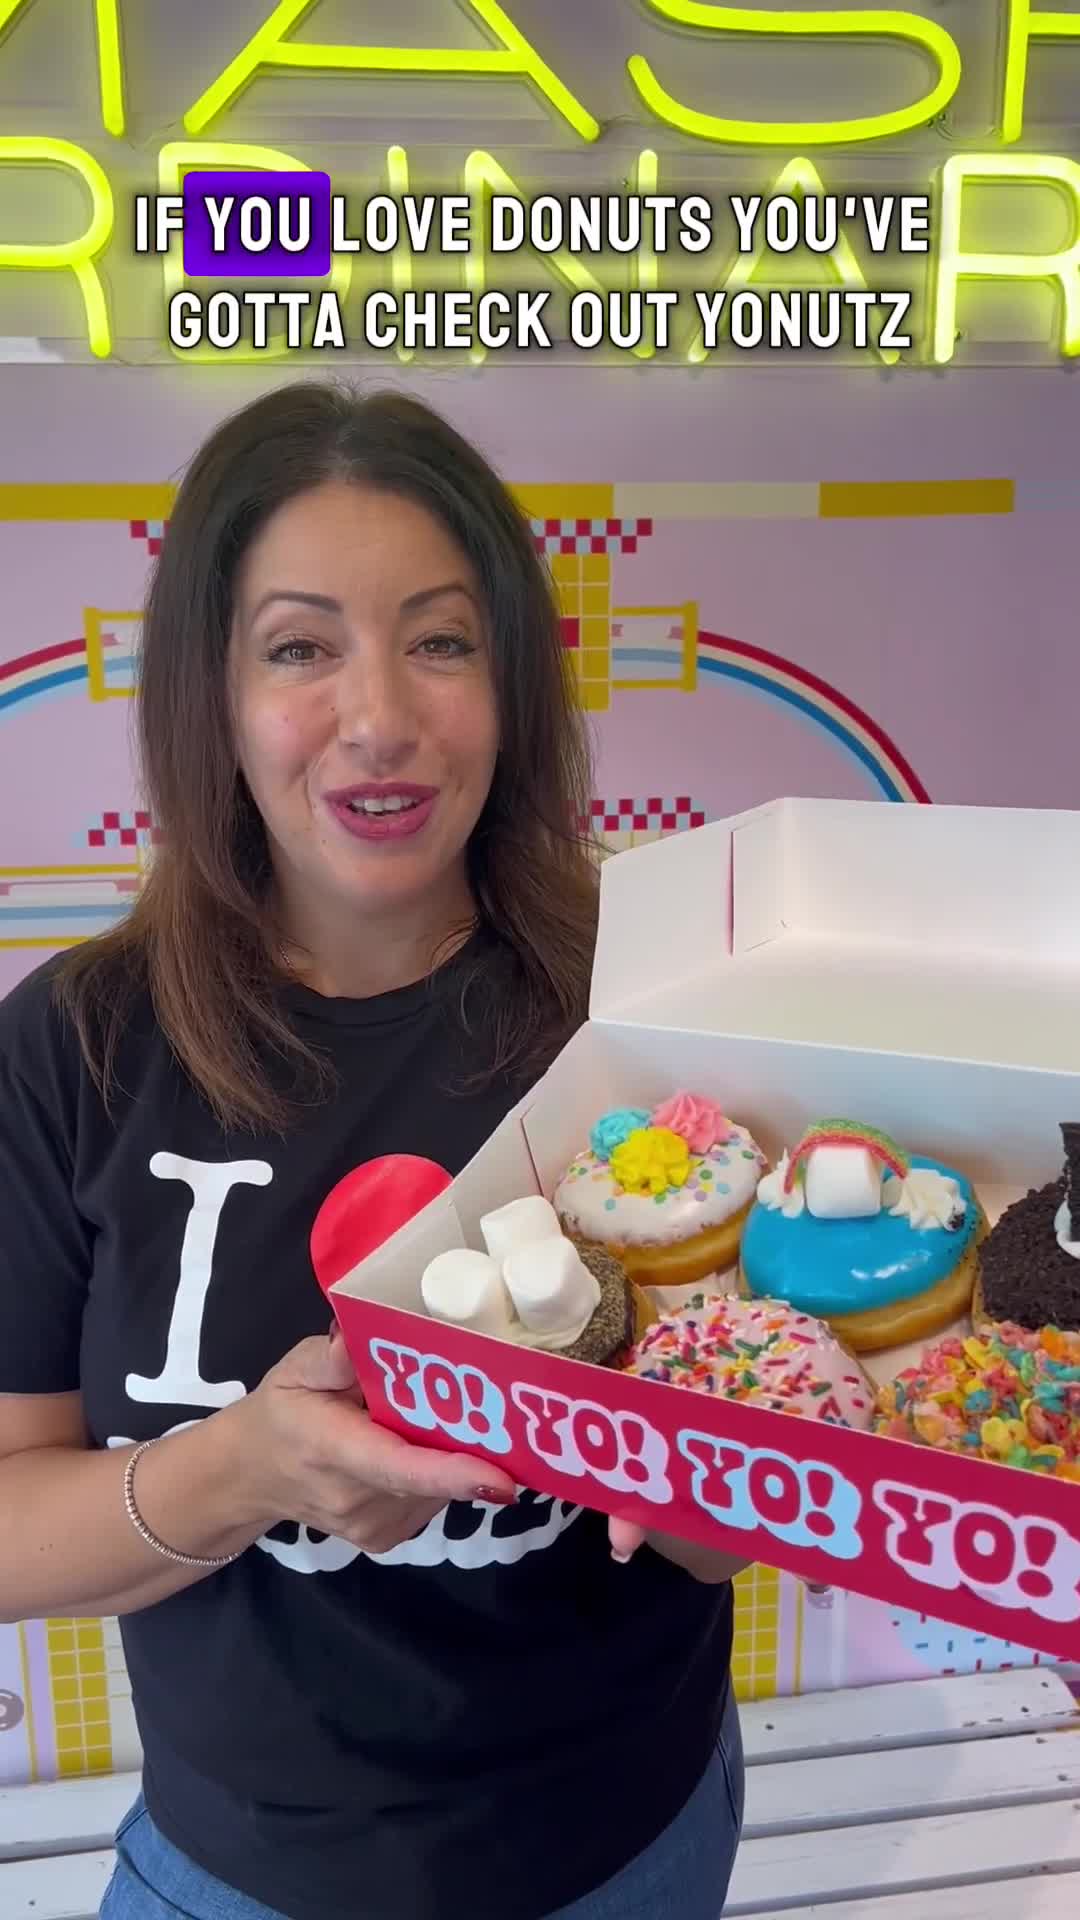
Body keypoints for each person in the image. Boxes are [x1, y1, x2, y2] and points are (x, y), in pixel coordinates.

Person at [0, 381, 746, 1920]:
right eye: (299, 648)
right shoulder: (72, 1048)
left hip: (629, 1846)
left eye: (442, 641)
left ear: (513, 682)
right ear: (210, 692)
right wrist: (242, 1472)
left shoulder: (652, 1005)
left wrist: (692, 1485)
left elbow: (724, 1529)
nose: (382, 717)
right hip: (233, 1874)